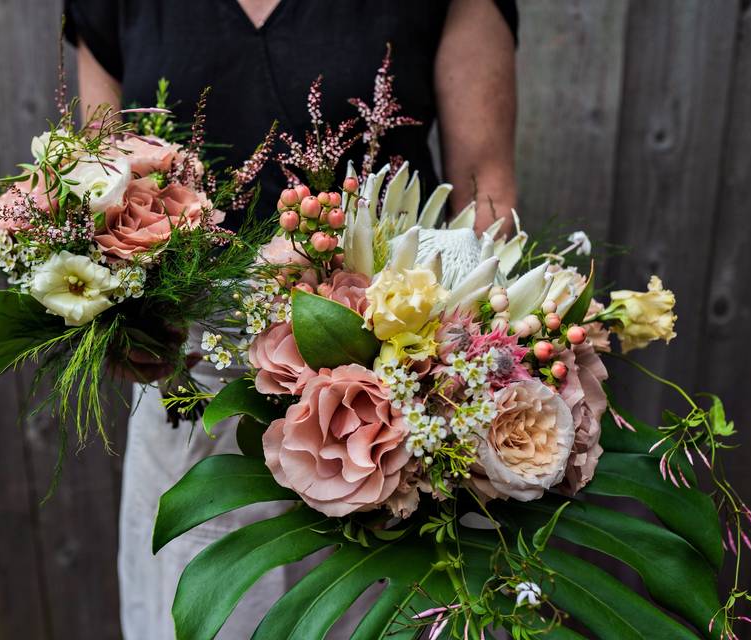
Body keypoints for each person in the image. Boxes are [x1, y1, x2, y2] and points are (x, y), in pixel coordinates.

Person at [65, 1, 518, 637]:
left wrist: (456, 366)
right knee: (213, 606)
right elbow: (98, 194)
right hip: (195, 396)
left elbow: (485, 193)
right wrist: (114, 324)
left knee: (383, 609)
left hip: (392, 391)